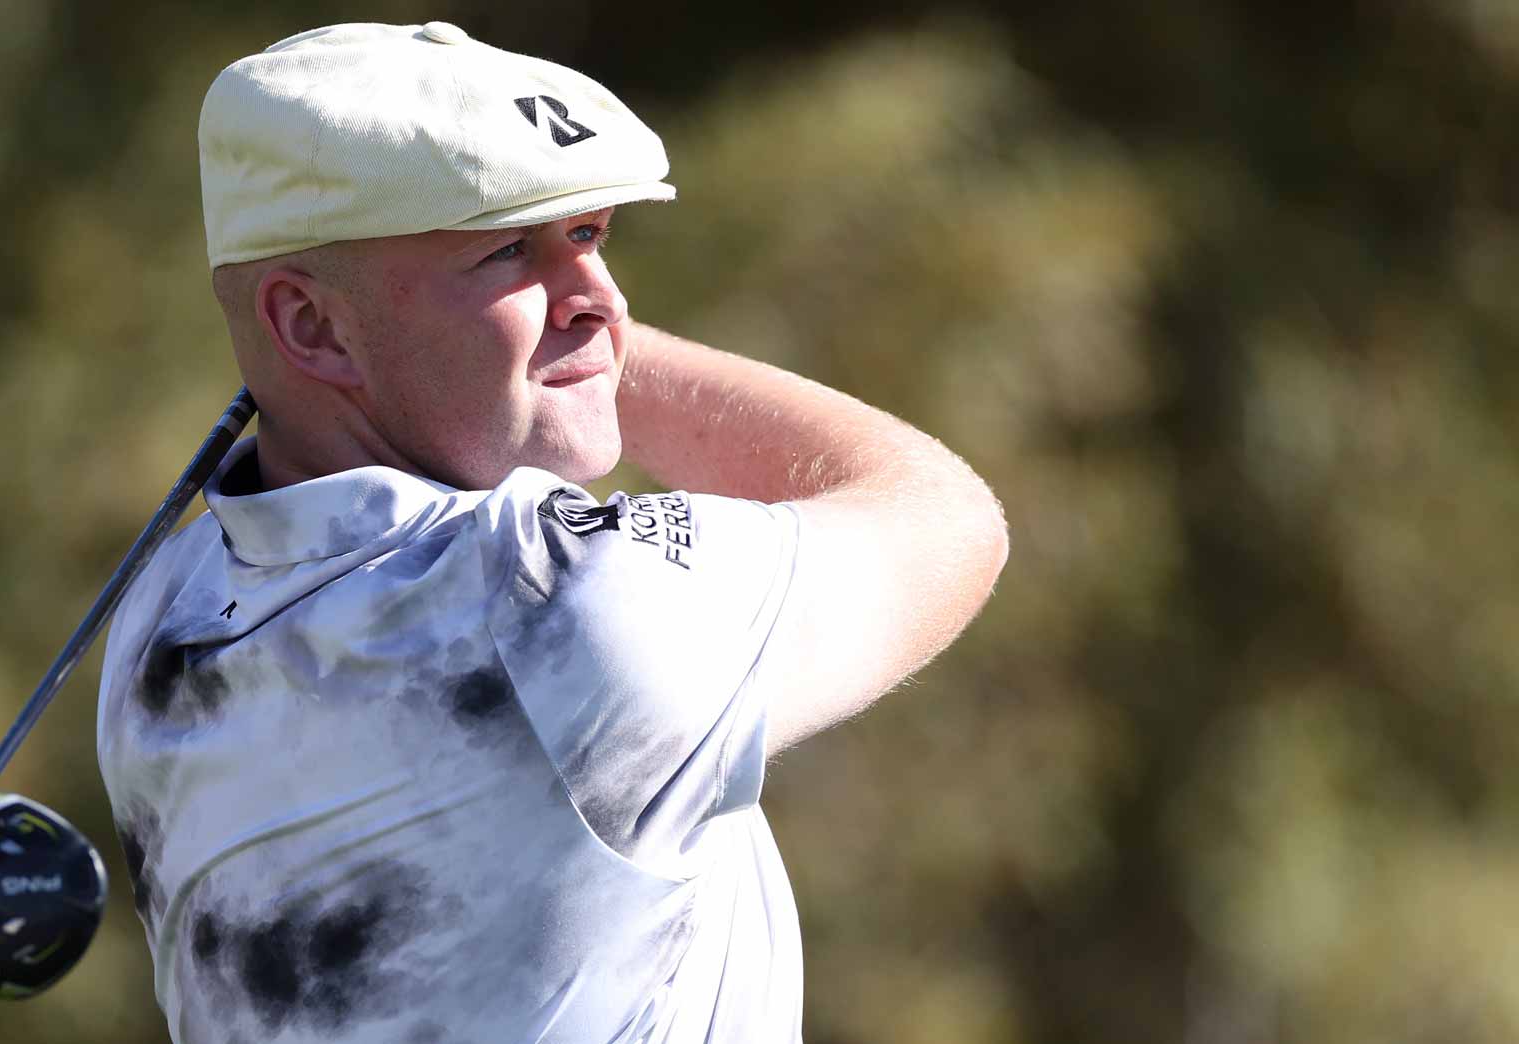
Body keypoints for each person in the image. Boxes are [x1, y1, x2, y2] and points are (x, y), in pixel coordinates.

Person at [97, 21, 1008, 1044]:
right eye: (507, 251)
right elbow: (941, 514)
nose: (602, 302)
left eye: (587, 237)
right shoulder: (556, 598)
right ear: (308, 326)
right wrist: (604, 357)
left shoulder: (157, 619)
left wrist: (524, 338)